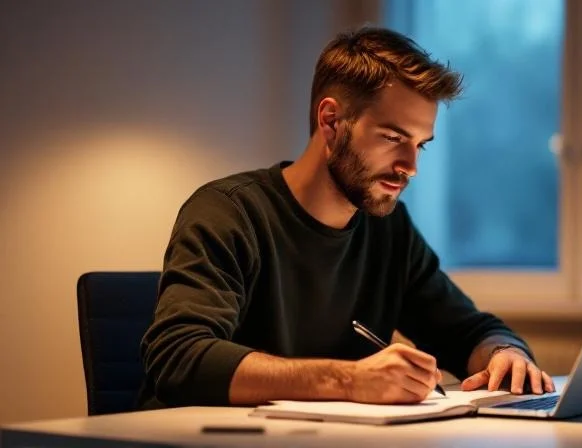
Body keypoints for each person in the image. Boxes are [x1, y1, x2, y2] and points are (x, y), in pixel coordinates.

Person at [138, 25, 554, 409]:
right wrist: (349, 379)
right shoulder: (229, 212)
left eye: (420, 144)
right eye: (393, 138)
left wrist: (506, 354)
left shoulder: (388, 229)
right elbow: (179, 357)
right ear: (331, 121)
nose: (410, 166)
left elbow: (467, 330)